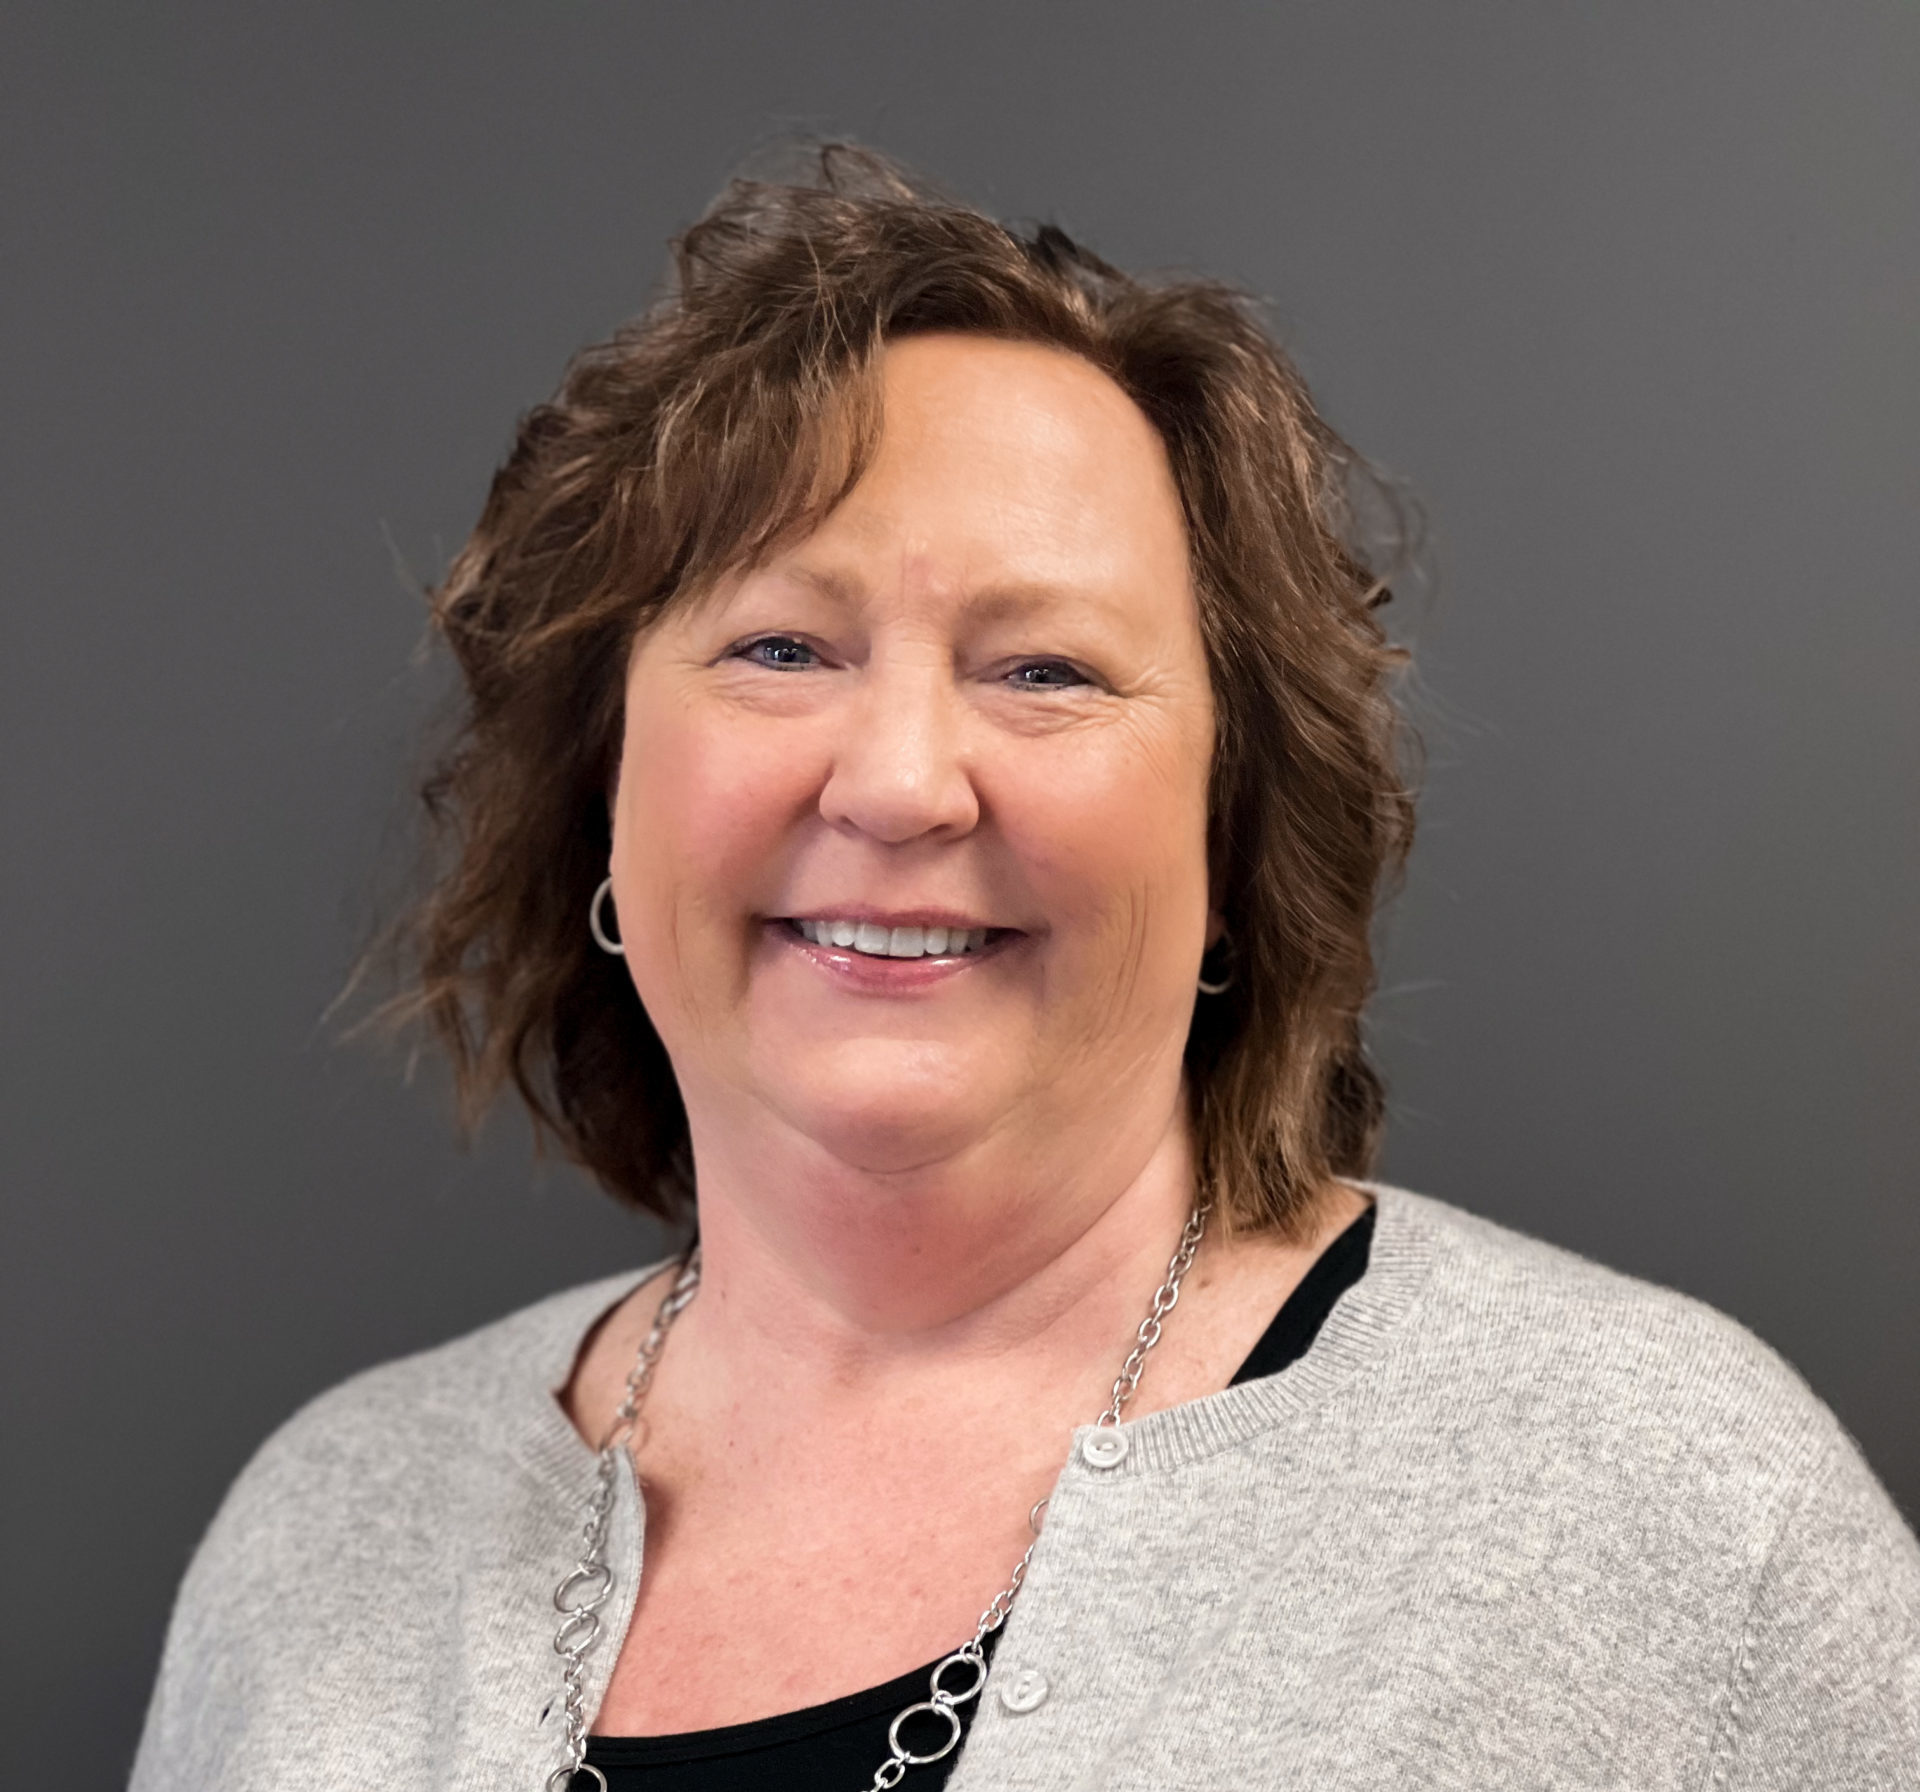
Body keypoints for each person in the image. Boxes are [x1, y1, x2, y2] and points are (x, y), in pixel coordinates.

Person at [129, 147, 1919, 1792]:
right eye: (778, 645)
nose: (901, 781)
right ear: (607, 796)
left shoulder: (1662, 1505)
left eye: (1046, 670)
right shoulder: (324, 1544)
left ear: (1230, 838)